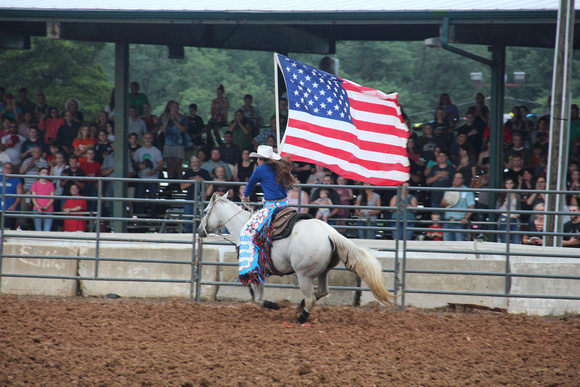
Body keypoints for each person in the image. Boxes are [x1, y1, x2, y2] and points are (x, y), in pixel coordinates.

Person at [238, 145, 297, 283]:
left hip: (271, 207)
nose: (256, 162)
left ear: (260, 159)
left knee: (247, 231)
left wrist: (245, 197)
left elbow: (250, 185)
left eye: (257, 159)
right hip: (284, 205)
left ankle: (250, 269)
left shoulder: (260, 169)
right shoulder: (280, 168)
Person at [133, 133, 164, 217]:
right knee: (140, 199)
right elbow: (134, 164)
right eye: (146, 138)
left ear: (152, 139)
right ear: (143, 139)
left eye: (149, 138)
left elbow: (161, 164)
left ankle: (153, 218)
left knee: (153, 200)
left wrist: (154, 171)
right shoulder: (139, 151)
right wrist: (139, 166)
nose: (147, 140)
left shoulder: (156, 151)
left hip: (153, 179)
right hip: (141, 178)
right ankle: (141, 219)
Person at [159, 100, 188, 187]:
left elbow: (183, 129)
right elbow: (162, 130)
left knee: (178, 163)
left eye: (177, 107)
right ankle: (170, 183)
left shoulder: (182, 118)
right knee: (169, 163)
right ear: (169, 107)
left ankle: (180, 183)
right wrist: (167, 120)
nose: (175, 109)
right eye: (173, 107)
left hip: (179, 143)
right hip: (168, 143)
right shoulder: (164, 117)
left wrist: (175, 120)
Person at [181, 156, 212, 233]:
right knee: (188, 221)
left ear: (199, 163)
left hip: (202, 199)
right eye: (193, 162)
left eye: (196, 162)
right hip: (190, 199)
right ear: (191, 163)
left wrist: (202, 180)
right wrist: (194, 181)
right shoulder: (188, 173)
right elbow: (182, 187)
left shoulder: (204, 172)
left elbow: (209, 186)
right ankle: (189, 239)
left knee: (203, 221)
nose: (195, 164)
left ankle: (202, 239)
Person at [441, 172, 475, 242]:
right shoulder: (449, 190)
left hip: (459, 222)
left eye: (459, 178)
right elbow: (442, 205)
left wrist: (466, 218)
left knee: (459, 245)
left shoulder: (468, 191)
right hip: (448, 221)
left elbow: (471, 206)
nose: (457, 180)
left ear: (463, 180)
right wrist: (443, 203)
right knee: (447, 245)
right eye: (455, 178)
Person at [496, 177, 521, 244]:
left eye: (510, 183)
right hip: (504, 217)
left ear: (513, 184)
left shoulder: (517, 195)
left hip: (514, 218)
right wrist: (505, 205)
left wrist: (517, 215)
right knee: (504, 241)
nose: (509, 185)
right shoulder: (502, 195)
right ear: (505, 185)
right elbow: (497, 208)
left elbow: (519, 207)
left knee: (516, 240)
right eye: (507, 184)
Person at [30, 167, 55, 231]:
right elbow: (33, 197)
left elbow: (52, 197)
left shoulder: (51, 184)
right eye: (43, 172)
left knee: (47, 230)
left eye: (46, 173)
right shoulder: (35, 184)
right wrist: (38, 207)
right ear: (39, 174)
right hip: (37, 209)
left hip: (48, 209)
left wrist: (46, 206)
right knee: (38, 230)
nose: (45, 174)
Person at [0, 162, 23, 230]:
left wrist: (14, 206)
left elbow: (20, 195)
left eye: (9, 168)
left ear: (12, 170)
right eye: (6, 168)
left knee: (10, 228)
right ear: (2, 169)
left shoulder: (17, 180)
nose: (7, 170)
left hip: (11, 209)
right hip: (0, 208)